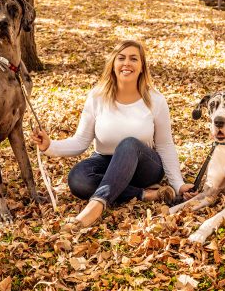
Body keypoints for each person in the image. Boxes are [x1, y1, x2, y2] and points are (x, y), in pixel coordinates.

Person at [31, 40, 195, 229]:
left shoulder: (155, 99)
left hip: (145, 166)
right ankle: (146, 194)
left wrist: (178, 184)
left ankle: (96, 205)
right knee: (78, 179)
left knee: (128, 144)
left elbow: (165, 145)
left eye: (134, 59)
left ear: (142, 67)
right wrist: (49, 146)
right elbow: (81, 141)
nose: (127, 63)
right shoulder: (97, 96)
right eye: (121, 58)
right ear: (113, 64)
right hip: (106, 161)